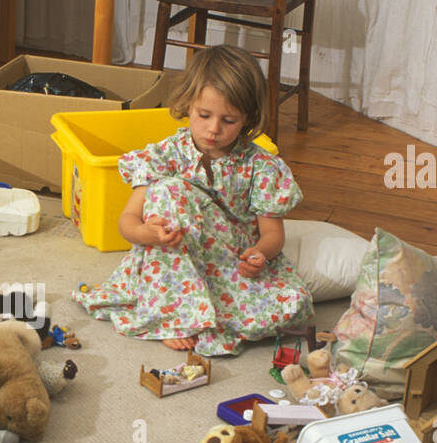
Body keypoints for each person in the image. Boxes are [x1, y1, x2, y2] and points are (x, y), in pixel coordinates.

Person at [74, 45, 313, 356]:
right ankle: (173, 315)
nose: (214, 129)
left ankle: (200, 313)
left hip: (228, 264)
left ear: (248, 118)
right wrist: (145, 233)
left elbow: (272, 234)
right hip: (173, 261)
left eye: (228, 120)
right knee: (168, 190)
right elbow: (127, 221)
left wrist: (260, 254)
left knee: (295, 304)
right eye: (204, 115)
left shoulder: (262, 166)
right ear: (188, 105)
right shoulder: (165, 155)